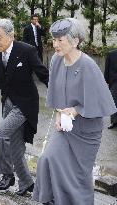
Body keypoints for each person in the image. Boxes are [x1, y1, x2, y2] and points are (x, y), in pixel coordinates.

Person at [33, 18, 116, 205]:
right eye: (53, 40)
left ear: (75, 41)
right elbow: (54, 91)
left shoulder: (88, 65)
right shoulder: (55, 60)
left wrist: (76, 110)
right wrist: (58, 114)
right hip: (65, 126)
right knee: (47, 159)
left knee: (78, 175)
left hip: (87, 130)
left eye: (60, 40)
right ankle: (52, 199)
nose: (55, 45)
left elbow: (101, 102)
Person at [0, 18, 49, 195]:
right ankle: (27, 184)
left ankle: (7, 175)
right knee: (16, 148)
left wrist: (62, 97)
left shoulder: (27, 50)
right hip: (7, 104)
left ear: (11, 35)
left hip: (25, 106)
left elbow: (44, 75)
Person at [104, 50, 117, 129]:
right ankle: (114, 121)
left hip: (113, 82)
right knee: (114, 102)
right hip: (114, 82)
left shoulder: (111, 53)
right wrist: (107, 81)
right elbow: (107, 68)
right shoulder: (111, 54)